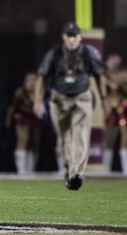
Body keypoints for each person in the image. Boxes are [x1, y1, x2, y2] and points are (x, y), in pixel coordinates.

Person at [34, 22, 106, 190]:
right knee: (64, 137)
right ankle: (68, 169)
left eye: (74, 36)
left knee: (80, 135)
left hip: (82, 97)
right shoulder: (55, 53)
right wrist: (38, 101)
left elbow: (100, 75)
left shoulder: (88, 53)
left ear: (80, 37)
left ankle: (76, 173)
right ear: (64, 37)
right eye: (69, 36)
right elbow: (41, 77)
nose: (72, 39)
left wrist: (104, 99)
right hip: (59, 98)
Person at [6, 72, 42, 175]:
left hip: (36, 118)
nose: (31, 83)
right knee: (23, 140)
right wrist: (8, 123)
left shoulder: (41, 92)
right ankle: (21, 170)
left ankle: (31, 169)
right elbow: (11, 108)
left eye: (34, 80)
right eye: (29, 80)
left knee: (35, 142)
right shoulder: (20, 92)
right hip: (22, 117)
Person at [101, 54, 127, 174]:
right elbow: (104, 93)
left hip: (123, 107)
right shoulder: (104, 76)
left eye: (117, 62)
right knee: (109, 138)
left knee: (125, 137)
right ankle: (106, 169)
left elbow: (121, 89)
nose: (115, 64)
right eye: (113, 62)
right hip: (111, 109)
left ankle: (125, 169)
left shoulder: (122, 74)